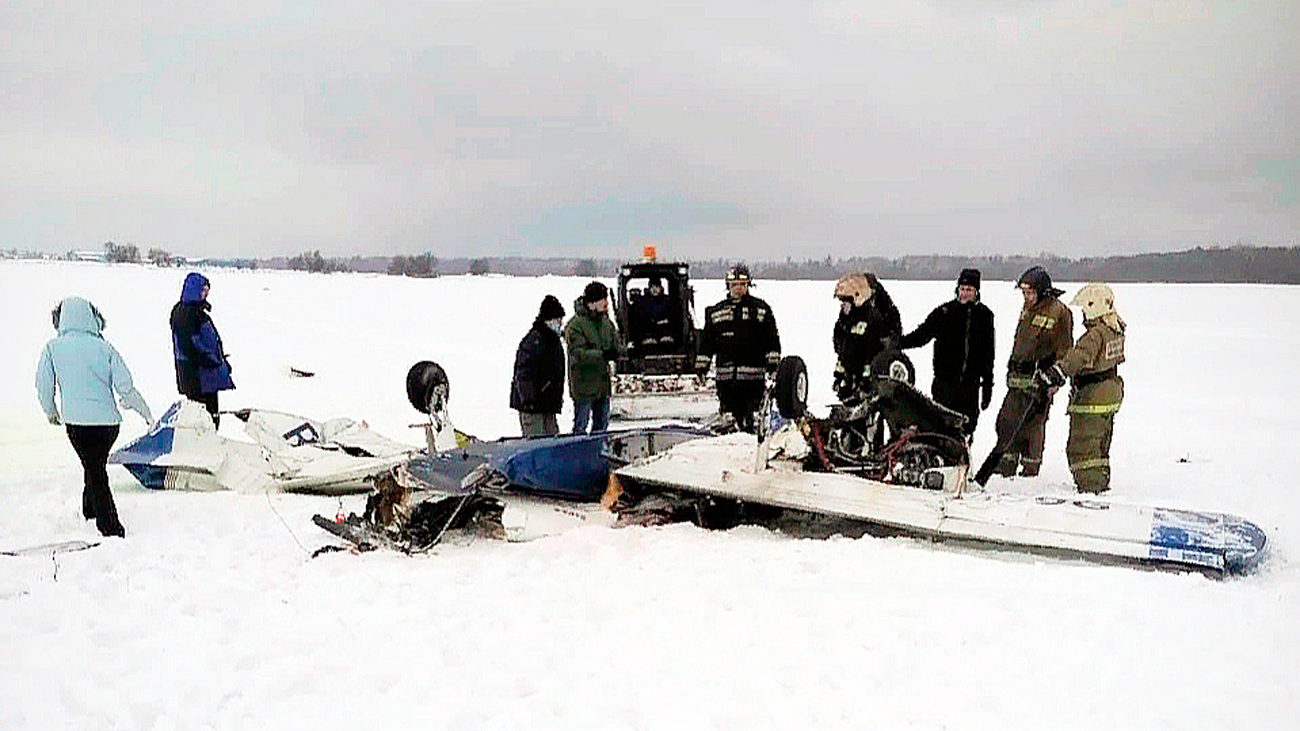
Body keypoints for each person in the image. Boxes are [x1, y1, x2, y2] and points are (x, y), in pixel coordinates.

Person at [35, 297, 153, 538]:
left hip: (77, 426)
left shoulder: (52, 348)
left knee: (95, 468)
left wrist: (51, 412)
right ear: (92, 318)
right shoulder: (105, 348)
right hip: (108, 425)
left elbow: (43, 385)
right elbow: (126, 386)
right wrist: (144, 411)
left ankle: (110, 527)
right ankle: (90, 509)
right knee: (94, 464)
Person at [1036, 283, 1126, 493]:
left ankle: (1091, 488)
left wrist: (1057, 372)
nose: (1084, 313)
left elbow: (1079, 356)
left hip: (1092, 396)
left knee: (1083, 446)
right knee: (1100, 444)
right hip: (1110, 392)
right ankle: (1100, 481)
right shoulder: (1115, 329)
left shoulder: (1095, 334)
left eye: (1085, 308)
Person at [993, 266, 1074, 477]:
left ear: (1042, 291)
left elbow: (1065, 351)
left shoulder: (1060, 313)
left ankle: (1030, 470)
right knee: (1007, 421)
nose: (1026, 297)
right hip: (1017, 379)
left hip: (1039, 381)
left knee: (1033, 427)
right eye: (1023, 293)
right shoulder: (1028, 308)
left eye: (1029, 292)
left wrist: (1055, 380)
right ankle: (1006, 466)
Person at [899, 268, 995, 438]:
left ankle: (962, 456)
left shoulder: (985, 316)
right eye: (962, 289)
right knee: (941, 427)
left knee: (966, 427)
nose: (965, 294)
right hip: (945, 384)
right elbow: (922, 335)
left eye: (969, 290)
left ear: (976, 292)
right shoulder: (944, 312)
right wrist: (898, 343)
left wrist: (987, 385)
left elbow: (988, 354)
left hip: (970, 386)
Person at [696, 263, 781, 432]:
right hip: (726, 380)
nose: (738, 289)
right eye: (734, 285)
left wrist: (773, 366)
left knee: (753, 422)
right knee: (728, 422)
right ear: (728, 286)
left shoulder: (761, 310)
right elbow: (707, 343)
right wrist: (701, 367)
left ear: (748, 285)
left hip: (753, 379)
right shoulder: (716, 312)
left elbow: (772, 340)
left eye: (742, 285)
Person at [170, 272, 234, 428]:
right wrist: (211, 360)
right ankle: (204, 448)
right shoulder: (185, 314)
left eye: (207, 291)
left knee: (211, 417)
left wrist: (221, 362)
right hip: (196, 378)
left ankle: (209, 444)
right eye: (203, 290)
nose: (205, 294)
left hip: (206, 377)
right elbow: (189, 346)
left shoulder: (196, 311)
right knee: (204, 420)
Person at [831, 272, 902, 402]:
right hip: (853, 374)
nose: (844, 307)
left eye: (847, 302)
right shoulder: (847, 319)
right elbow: (840, 343)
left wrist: (867, 375)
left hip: (875, 374)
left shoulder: (879, 313)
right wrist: (840, 374)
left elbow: (883, 343)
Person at [564, 281, 619, 433]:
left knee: (601, 427)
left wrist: (620, 352)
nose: (606, 303)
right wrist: (602, 355)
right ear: (592, 302)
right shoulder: (575, 325)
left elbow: (616, 344)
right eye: (603, 299)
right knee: (581, 426)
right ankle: (576, 453)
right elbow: (578, 354)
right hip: (584, 386)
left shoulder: (606, 323)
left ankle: (597, 453)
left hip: (602, 386)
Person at [510, 295, 567, 437]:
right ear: (548, 320)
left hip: (548, 405)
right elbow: (524, 373)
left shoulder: (553, 341)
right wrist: (528, 399)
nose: (560, 323)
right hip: (533, 407)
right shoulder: (534, 341)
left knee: (552, 443)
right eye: (557, 320)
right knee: (536, 443)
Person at [631, 277, 675, 354]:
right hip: (647, 334)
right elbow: (637, 320)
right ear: (649, 288)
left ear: (660, 288)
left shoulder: (667, 301)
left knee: (667, 342)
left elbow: (673, 317)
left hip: (664, 332)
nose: (655, 289)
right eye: (652, 287)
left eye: (657, 287)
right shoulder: (642, 302)